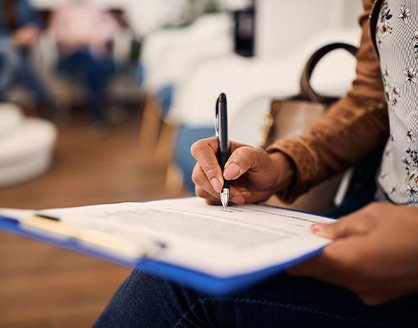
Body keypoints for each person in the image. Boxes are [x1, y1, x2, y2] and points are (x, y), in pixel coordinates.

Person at [94, 0, 418, 326]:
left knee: (177, 288)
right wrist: (282, 164)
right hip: (373, 210)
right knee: (185, 265)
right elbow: (372, 99)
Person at [49, 0, 120, 125]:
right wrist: (74, 38)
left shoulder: (96, 9)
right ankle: (99, 110)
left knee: (93, 65)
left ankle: (97, 111)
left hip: (94, 53)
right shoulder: (63, 10)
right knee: (95, 65)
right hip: (73, 54)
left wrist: (96, 36)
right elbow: (55, 32)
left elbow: (112, 27)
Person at [0, 0, 57, 119]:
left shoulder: (23, 2)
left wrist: (31, 32)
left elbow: (36, 22)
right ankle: (43, 99)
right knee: (12, 55)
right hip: (3, 48)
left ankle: (3, 96)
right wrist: (13, 39)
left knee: (15, 58)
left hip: (23, 49)